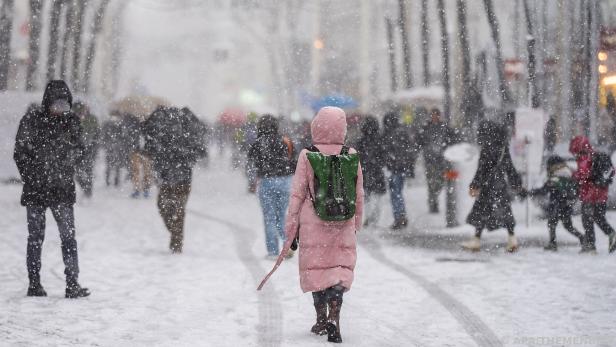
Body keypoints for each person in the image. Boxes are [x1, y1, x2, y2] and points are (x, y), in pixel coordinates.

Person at [257, 107, 364, 343]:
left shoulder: (308, 154)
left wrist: (291, 227)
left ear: (317, 126)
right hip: (343, 221)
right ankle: (335, 313)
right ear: (342, 128)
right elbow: (358, 193)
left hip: (313, 221)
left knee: (316, 268)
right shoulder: (351, 154)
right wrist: (357, 221)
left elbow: (297, 194)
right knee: (338, 269)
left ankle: (321, 318)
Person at [13, 80, 90, 298]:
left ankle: (72, 283)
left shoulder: (73, 122)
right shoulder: (31, 121)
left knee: (68, 237)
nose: (60, 108)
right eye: (56, 103)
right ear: (47, 102)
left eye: (64, 104)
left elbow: (81, 151)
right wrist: (32, 176)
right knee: (36, 238)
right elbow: (20, 152)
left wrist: (65, 164)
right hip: (36, 191)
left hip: (62, 190)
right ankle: (34, 283)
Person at [144, 106, 206, 253]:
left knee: (176, 209)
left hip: (181, 179)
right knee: (166, 207)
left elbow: (197, 153)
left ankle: (176, 241)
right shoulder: (164, 136)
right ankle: (176, 234)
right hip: (169, 179)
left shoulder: (182, 136)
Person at [462, 121, 523, 253]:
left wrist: (474, 185)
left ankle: (476, 240)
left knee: (482, 212)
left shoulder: (486, 148)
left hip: (487, 186)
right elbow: (510, 167)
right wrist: (516, 182)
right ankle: (512, 239)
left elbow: (481, 170)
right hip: (500, 185)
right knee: (505, 211)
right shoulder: (503, 148)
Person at [247, 115, 295, 258]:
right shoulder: (285, 140)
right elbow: (294, 158)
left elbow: (251, 163)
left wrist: (252, 181)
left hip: (267, 181)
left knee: (269, 217)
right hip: (285, 181)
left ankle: (273, 251)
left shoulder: (258, 142)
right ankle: (287, 244)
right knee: (281, 216)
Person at [569, 136, 616, 254]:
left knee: (586, 219)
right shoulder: (595, 154)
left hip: (590, 193)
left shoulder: (584, 157)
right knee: (599, 217)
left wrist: (574, 175)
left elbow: (583, 175)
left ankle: (590, 245)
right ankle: (612, 234)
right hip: (602, 192)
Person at [527, 155, 584, 251]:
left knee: (552, 223)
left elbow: (544, 190)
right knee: (568, 226)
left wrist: (529, 192)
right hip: (567, 204)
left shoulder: (556, 177)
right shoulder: (568, 173)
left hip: (557, 205)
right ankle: (583, 238)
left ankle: (553, 244)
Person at [416, 108, 457, 213]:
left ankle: (434, 199)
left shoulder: (444, 128)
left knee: (440, 181)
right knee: (431, 182)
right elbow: (419, 142)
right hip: (430, 160)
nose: (434, 117)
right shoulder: (425, 128)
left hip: (441, 160)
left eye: (436, 115)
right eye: (432, 115)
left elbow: (452, 139)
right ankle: (433, 202)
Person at [382, 111, 416, 229]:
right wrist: (410, 168)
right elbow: (410, 151)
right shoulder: (403, 132)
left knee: (395, 193)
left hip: (394, 167)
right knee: (398, 192)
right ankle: (401, 216)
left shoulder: (389, 134)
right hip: (401, 167)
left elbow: (387, 151)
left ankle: (399, 217)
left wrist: (389, 162)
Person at [355, 116, 386, 226]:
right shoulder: (380, 140)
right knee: (378, 196)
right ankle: (375, 218)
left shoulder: (361, 141)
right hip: (377, 171)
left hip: (365, 171)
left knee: (366, 196)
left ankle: (368, 216)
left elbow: (357, 156)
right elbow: (384, 156)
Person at [73, 102, 100, 198]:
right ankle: (86, 189)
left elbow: (97, 134)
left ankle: (88, 191)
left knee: (88, 171)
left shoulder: (92, 119)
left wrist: (94, 146)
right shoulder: (74, 119)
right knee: (78, 174)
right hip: (78, 150)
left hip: (90, 149)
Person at [125, 114, 153, 198]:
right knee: (136, 171)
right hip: (137, 151)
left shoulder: (149, 128)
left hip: (145, 152)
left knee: (146, 171)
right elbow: (130, 138)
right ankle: (137, 189)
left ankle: (145, 189)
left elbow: (151, 140)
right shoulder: (134, 127)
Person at [101, 111, 126, 187]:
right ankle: (108, 180)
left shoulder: (121, 124)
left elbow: (124, 136)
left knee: (117, 165)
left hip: (118, 147)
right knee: (109, 164)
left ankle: (116, 180)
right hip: (110, 147)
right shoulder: (107, 124)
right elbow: (103, 135)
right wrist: (105, 144)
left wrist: (121, 143)